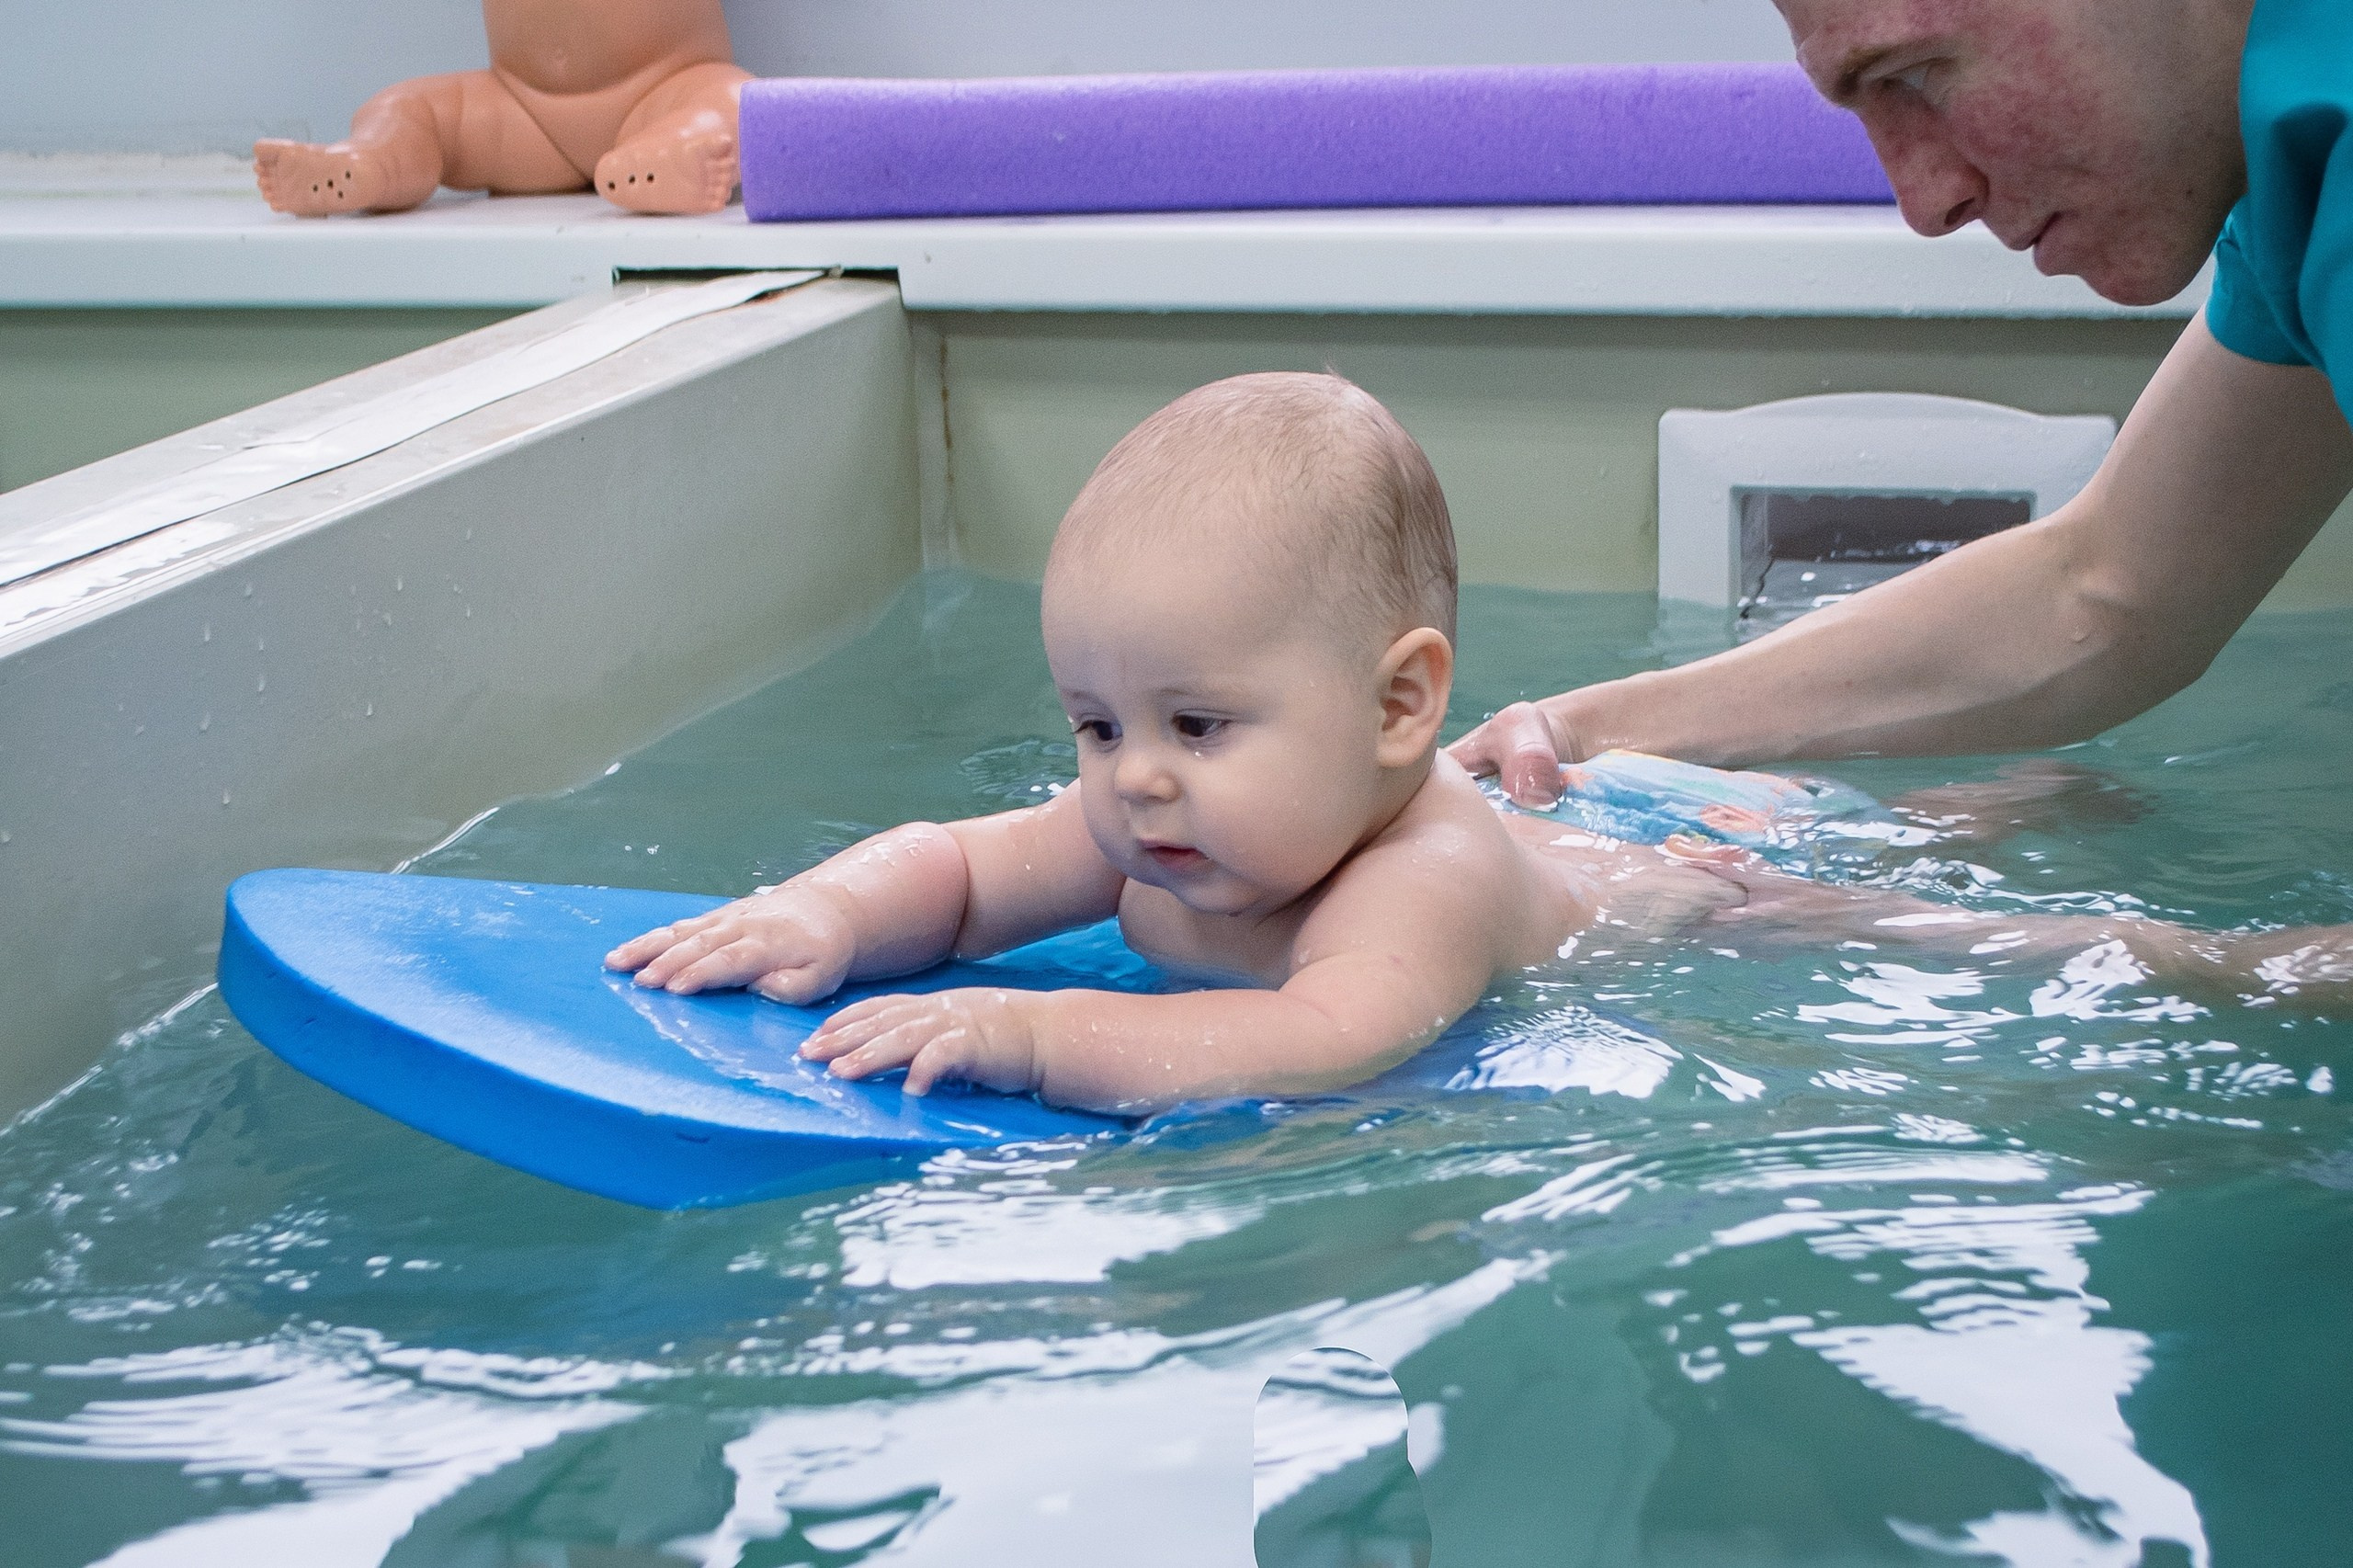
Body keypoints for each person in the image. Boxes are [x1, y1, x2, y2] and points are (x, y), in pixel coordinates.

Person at [603, 373, 2353, 1114]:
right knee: (1899, 849)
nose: (1131, 776)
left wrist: (1038, 1031)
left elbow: (1318, 1041)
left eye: (1199, 723)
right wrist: (831, 913)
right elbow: (970, 864)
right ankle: (2010, 792)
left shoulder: (1413, 878)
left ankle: (2227, 949)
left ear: (1399, 704)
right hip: (1616, 840)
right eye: (1093, 722)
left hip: (1676, 902)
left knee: (1924, 921)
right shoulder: (1166, 817)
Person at [1451, 0, 2353, 802]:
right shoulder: (2300, 175)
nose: (1923, 204)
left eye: (1918, 73)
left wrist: (1983, 937)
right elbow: (2102, 589)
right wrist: (1570, 736)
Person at [252, 0, 748, 217]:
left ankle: (678, 150)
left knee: (731, 101)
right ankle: (366, 162)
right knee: (406, 107)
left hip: (665, 86)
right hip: (519, 107)